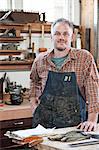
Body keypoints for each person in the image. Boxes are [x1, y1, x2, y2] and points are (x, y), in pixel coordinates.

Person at [29, 18, 99, 132]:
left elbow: (93, 92)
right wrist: (34, 106)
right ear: (51, 37)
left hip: (74, 125)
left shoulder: (84, 58)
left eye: (66, 34)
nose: (61, 37)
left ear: (72, 37)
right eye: (57, 33)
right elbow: (34, 81)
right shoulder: (40, 60)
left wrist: (92, 120)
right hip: (44, 126)